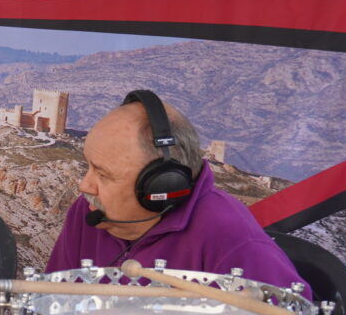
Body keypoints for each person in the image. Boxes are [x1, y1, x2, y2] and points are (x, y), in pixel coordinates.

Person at [45, 89, 306, 293]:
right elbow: (51, 307)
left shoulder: (233, 241)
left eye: (103, 174)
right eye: (88, 166)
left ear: (161, 186)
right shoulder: (89, 211)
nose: (85, 186)